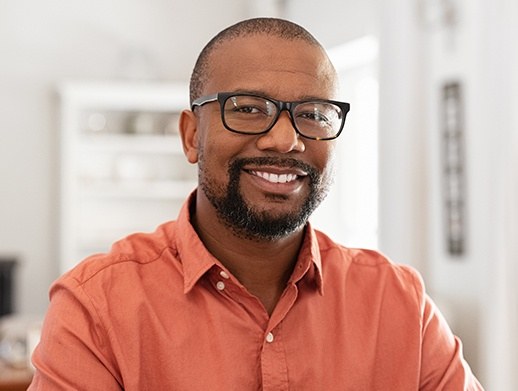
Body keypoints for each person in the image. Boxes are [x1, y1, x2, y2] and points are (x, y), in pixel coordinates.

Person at [29, 17, 483, 390]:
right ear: (192, 136)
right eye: (248, 109)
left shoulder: (400, 305)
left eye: (313, 114)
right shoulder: (98, 308)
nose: (285, 140)